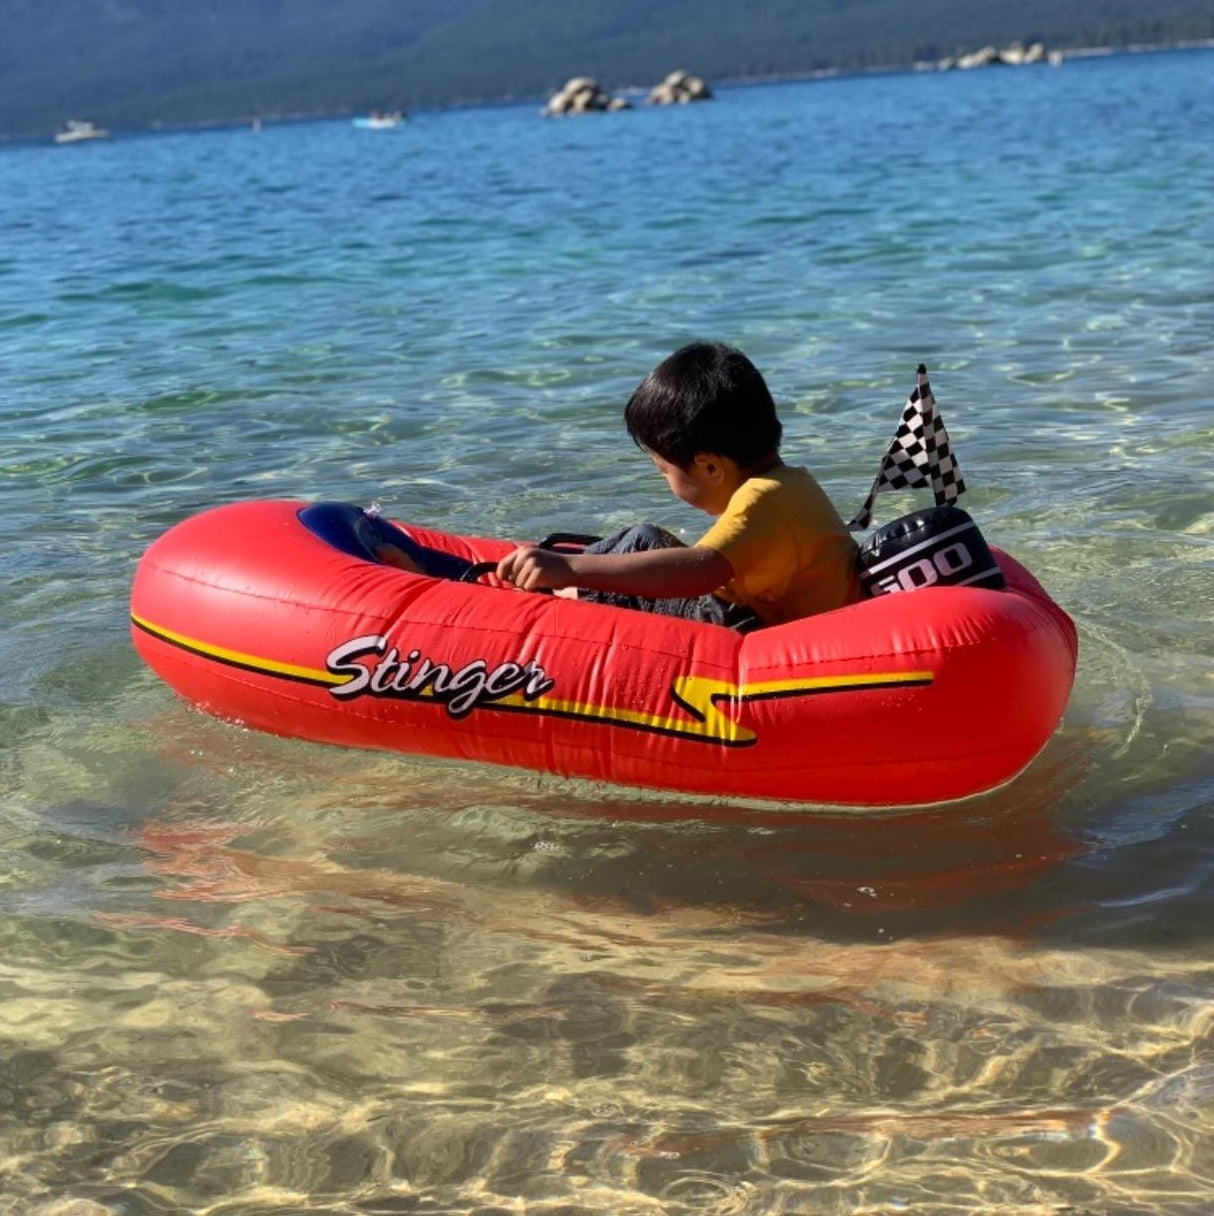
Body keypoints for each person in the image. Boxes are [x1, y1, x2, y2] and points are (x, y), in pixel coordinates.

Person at [492, 341, 862, 629]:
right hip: (757, 614)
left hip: (741, 627)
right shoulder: (793, 483)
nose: (663, 479)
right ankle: (557, 581)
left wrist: (571, 568)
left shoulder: (761, 497)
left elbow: (700, 571)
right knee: (643, 541)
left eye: (663, 470)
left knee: (641, 539)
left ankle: (557, 591)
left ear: (709, 467)